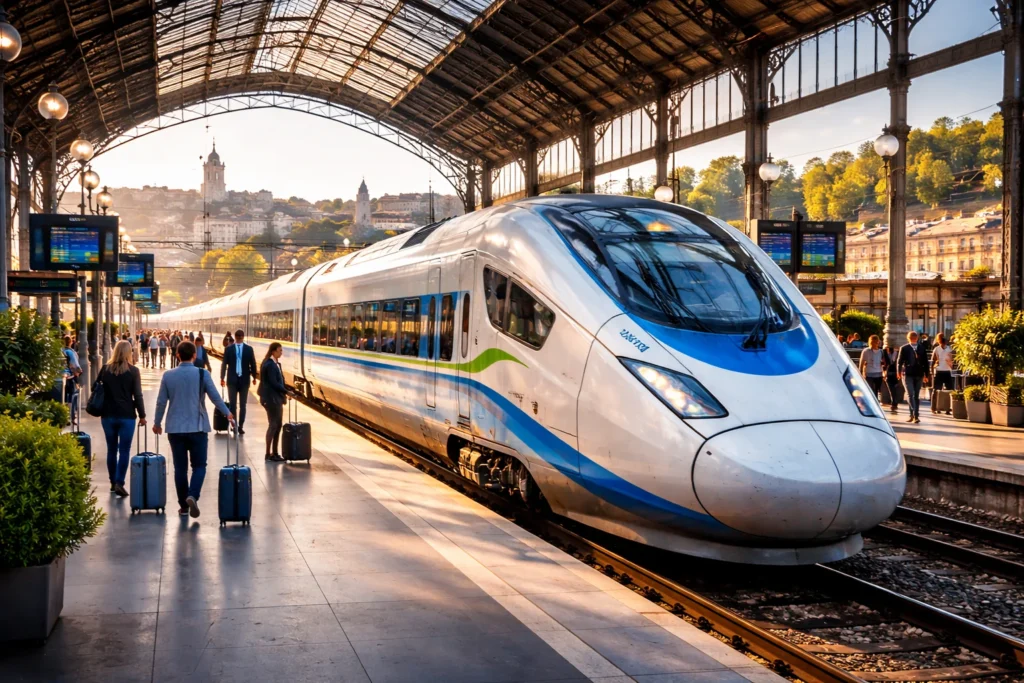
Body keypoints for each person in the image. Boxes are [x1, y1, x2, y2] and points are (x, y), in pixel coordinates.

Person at [153, 341, 234, 518]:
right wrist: (227, 413)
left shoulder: (168, 375)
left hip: (175, 429)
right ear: (195, 355)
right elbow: (215, 398)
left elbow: (161, 402)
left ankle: (184, 507)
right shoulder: (202, 373)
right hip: (198, 428)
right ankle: (193, 495)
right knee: (199, 466)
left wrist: (157, 423)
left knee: (180, 468)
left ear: (177, 355)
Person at [98, 340, 146, 497]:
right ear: (128, 353)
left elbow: (95, 388)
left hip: (108, 415)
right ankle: (119, 482)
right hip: (127, 416)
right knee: (124, 450)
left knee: (111, 449)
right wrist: (142, 415)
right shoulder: (133, 371)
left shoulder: (105, 369)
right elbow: (137, 395)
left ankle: (113, 482)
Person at [221, 329, 257, 435]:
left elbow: (224, 364)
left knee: (234, 405)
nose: (240, 338)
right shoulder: (248, 349)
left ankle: (237, 425)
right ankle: (238, 426)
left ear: (235, 337)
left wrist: (222, 378)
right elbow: (253, 364)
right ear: (242, 337)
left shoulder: (229, 349)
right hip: (241, 380)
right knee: (241, 405)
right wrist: (254, 377)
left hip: (234, 380)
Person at [258, 342, 287, 462]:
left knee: (277, 425)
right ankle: (268, 453)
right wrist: (286, 391)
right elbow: (274, 383)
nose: (281, 353)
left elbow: (279, 381)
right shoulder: (270, 365)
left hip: (274, 398)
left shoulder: (274, 363)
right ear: (273, 351)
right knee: (274, 425)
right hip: (271, 399)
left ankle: (274, 453)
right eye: (280, 350)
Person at [897, 331, 927, 423]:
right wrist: (898, 372)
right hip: (908, 373)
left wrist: (926, 374)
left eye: (914, 337)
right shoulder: (904, 348)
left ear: (917, 338)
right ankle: (915, 415)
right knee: (910, 394)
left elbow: (925, 362)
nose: (913, 338)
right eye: (912, 337)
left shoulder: (921, 348)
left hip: (919, 373)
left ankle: (913, 415)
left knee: (916, 395)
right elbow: (899, 361)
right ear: (908, 338)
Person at [931, 333, 955, 414]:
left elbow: (952, 360)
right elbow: (933, 360)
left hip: (946, 370)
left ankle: (946, 408)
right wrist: (932, 371)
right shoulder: (937, 349)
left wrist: (950, 362)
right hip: (940, 370)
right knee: (937, 390)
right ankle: (935, 408)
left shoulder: (949, 349)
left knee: (948, 390)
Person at [62, 335, 83, 425]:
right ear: (71, 342)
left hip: (62, 377)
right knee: (72, 396)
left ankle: (64, 415)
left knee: (63, 397)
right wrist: (79, 372)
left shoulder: (61, 351)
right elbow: (75, 365)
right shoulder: (70, 352)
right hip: (70, 377)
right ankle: (71, 416)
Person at [859, 334, 884, 401]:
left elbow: (883, 362)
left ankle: (876, 401)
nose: (875, 343)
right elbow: (862, 361)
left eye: (876, 342)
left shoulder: (881, 351)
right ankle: (873, 401)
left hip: (879, 373)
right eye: (873, 342)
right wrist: (860, 371)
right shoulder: (866, 351)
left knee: (877, 389)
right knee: (870, 389)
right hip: (869, 373)